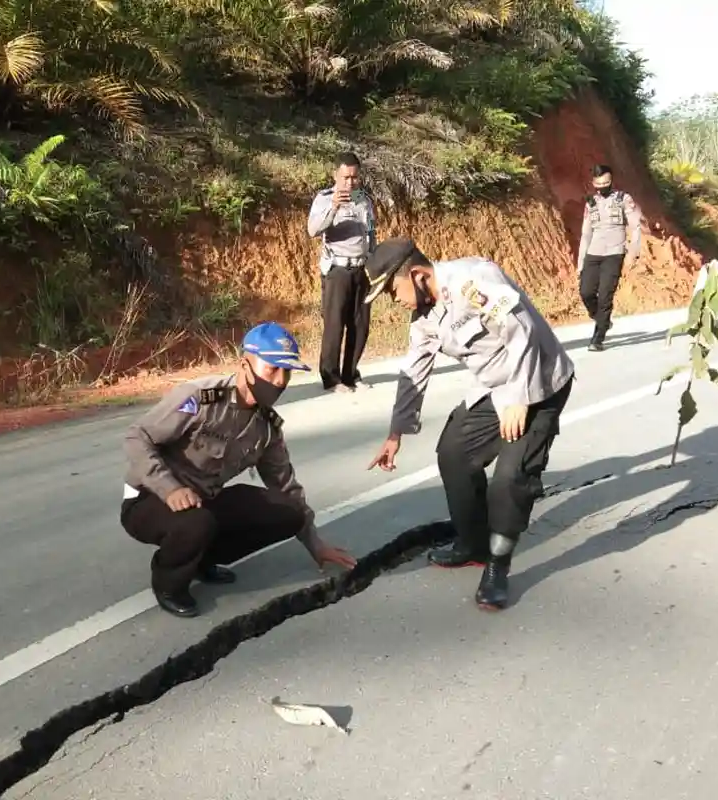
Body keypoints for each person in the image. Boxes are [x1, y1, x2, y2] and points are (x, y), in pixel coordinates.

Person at [364, 238, 574, 611]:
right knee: (453, 454)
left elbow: (521, 331)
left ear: (416, 274)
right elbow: (413, 372)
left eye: (392, 290)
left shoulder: (473, 281)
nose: (393, 301)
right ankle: (473, 543)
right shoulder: (425, 318)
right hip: (493, 391)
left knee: (511, 478)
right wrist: (395, 433)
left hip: (538, 383)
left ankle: (496, 567)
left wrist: (521, 398)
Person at [120, 321, 357, 618]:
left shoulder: (266, 428)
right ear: (245, 364)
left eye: (287, 372)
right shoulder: (200, 399)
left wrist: (315, 544)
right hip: (148, 498)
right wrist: (170, 489)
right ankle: (169, 582)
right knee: (196, 523)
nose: (280, 380)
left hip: (203, 500)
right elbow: (136, 437)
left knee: (288, 513)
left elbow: (285, 486)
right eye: (272, 369)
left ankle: (200, 560)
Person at [306, 151, 376, 393]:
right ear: (335, 175)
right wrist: (334, 208)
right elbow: (313, 230)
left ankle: (351, 374)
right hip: (337, 269)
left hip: (361, 268)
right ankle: (331, 378)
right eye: (345, 177)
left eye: (354, 177)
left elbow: (370, 234)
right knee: (335, 325)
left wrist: (374, 262)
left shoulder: (364, 200)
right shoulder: (324, 199)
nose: (350, 182)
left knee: (360, 324)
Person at [576, 163, 643, 351]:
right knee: (586, 292)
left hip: (614, 253)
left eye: (606, 182)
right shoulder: (590, 202)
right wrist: (580, 262)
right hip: (593, 253)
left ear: (611, 181)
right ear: (593, 183)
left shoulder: (623, 199)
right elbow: (586, 234)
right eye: (598, 183)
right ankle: (601, 318)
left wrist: (632, 253)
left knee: (605, 295)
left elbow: (635, 227)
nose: (602, 187)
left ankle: (598, 338)